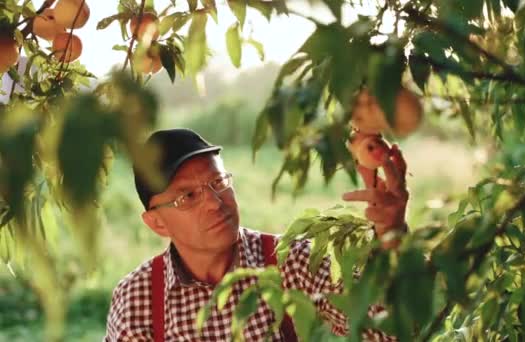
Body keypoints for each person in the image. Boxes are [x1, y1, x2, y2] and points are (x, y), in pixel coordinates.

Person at [103, 128, 409, 341]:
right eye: (189, 197)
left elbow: (388, 330)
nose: (214, 201)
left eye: (219, 182)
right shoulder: (139, 297)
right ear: (157, 223)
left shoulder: (290, 262)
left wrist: (390, 234)